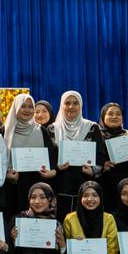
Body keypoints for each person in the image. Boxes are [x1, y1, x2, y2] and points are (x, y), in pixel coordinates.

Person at [48, 91, 105, 221]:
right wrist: (56, 167)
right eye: (67, 103)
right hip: (60, 186)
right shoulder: (52, 129)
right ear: (61, 105)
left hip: (86, 186)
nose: (71, 106)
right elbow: (48, 157)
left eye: (75, 103)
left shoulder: (92, 128)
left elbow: (101, 155)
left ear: (81, 106)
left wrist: (93, 171)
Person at [3, 94, 57, 217]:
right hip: (13, 187)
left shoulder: (41, 131)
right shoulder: (4, 131)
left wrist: (51, 171)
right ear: (16, 107)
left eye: (30, 106)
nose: (27, 110)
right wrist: (6, 175)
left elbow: (51, 158)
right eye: (23, 106)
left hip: (37, 186)